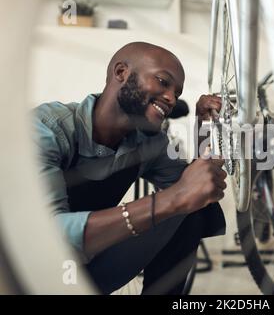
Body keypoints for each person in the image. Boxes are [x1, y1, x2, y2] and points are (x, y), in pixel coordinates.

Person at [32, 41, 226, 294]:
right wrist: (171, 200)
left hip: (90, 272)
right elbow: (46, 238)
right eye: (163, 82)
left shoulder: (150, 143)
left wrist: (204, 129)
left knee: (193, 210)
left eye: (177, 93)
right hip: (33, 272)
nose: (171, 98)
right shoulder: (46, 128)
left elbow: (196, 191)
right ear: (121, 72)